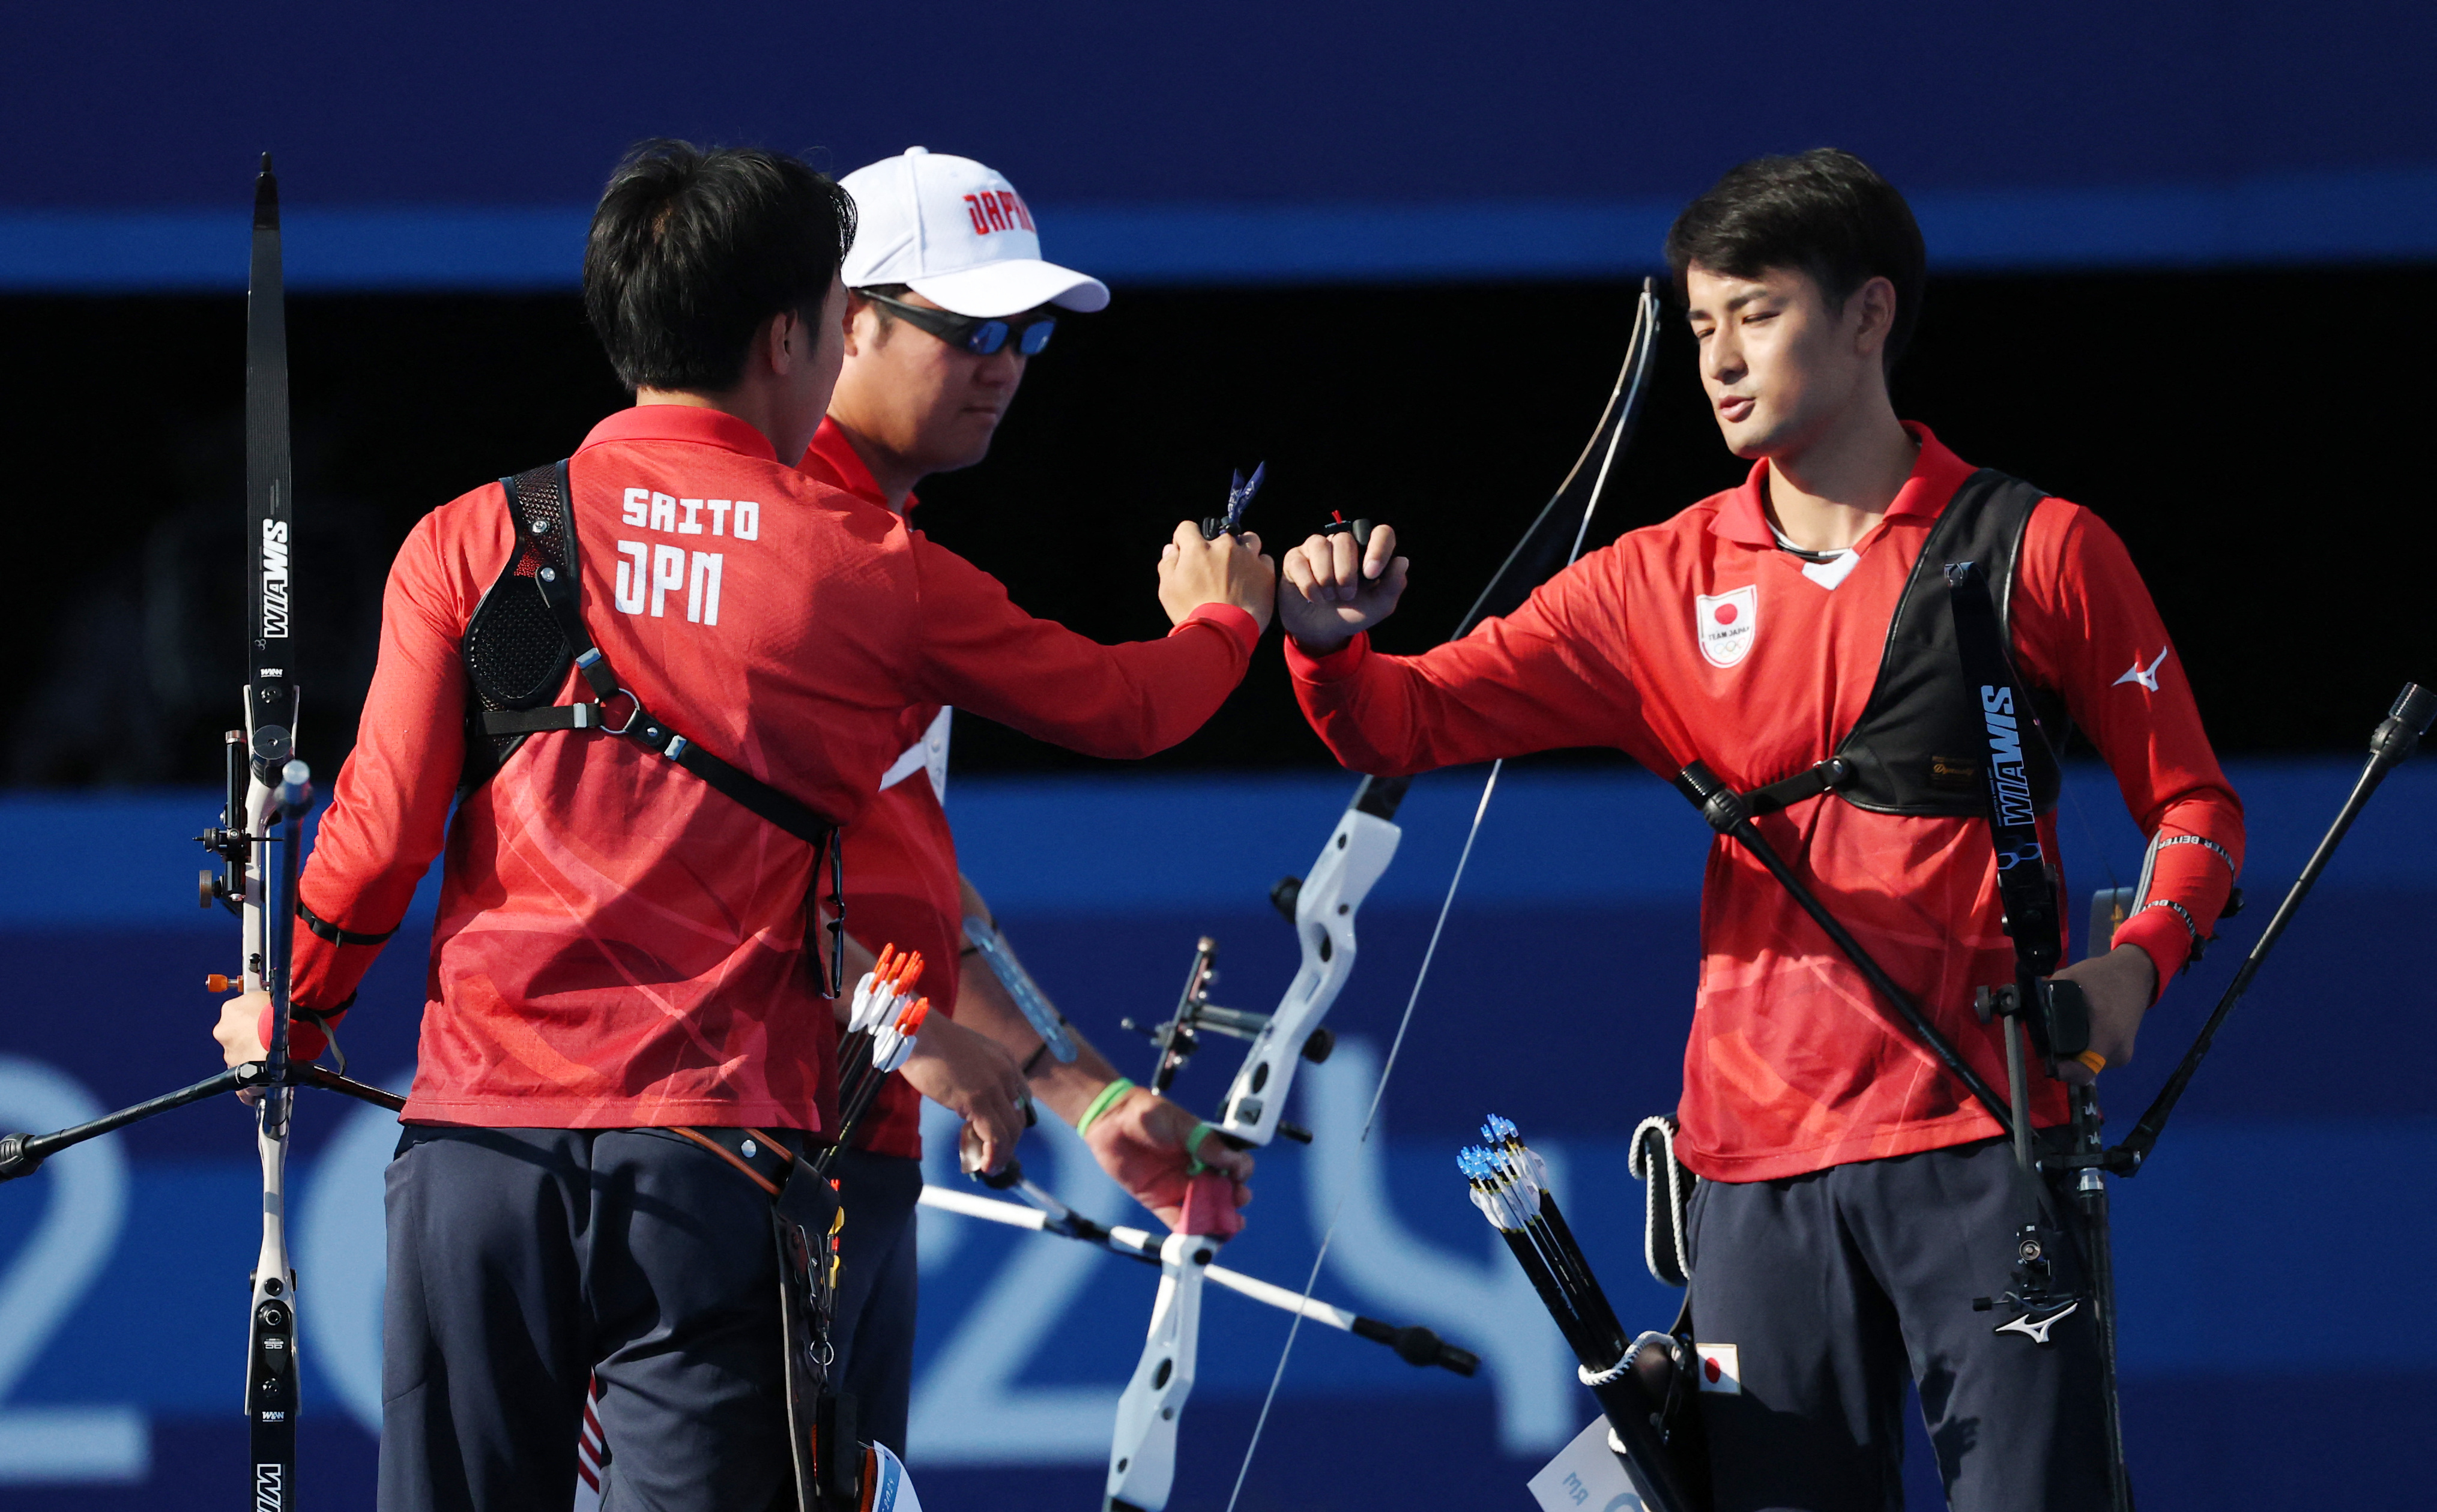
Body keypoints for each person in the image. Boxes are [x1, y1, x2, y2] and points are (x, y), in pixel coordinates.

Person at [210, 139, 1275, 1512]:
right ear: (793, 335)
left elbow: (375, 835)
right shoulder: (864, 568)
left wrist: (285, 1015)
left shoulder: (472, 534)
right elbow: (1129, 707)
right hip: (707, 1175)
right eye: (842, 319)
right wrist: (1228, 616)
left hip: (475, 1162)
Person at [1274, 149, 2243, 1511]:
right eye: (1699, 326)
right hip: (1751, 1170)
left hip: (1979, 1143)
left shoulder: (2041, 548)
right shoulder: (1648, 584)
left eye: (1757, 313)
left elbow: (2191, 808)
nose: (1718, 360)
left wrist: (2136, 965)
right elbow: (1405, 724)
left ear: (1866, 317)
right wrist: (1325, 651)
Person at [798, 146, 1256, 1458]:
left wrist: (1087, 1098)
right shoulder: (805, 554)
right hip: (748, 1150)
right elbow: (1128, 708)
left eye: (1029, 330)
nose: (1006, 360)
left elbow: (908, 887)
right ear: (848, 322)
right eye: (970, 326)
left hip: (853, 1142)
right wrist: (1223, 621)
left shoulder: (884, 549)